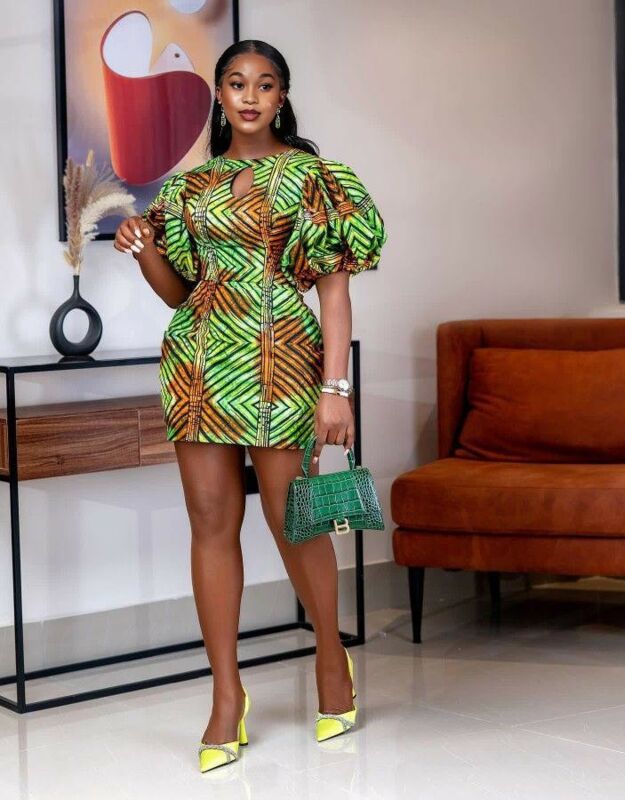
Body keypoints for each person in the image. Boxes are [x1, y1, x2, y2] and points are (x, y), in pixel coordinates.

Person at [114, 38, 387, 772]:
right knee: (210, 523)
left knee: (293, 519)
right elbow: (178, 293)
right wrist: (143, 247)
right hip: (199, 362)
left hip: (284, 362)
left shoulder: (314, 178)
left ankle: (330, 655)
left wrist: (336, 389)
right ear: (220, 93)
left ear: (282, 96)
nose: (250, 96)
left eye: (265, 84)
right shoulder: (188, 188)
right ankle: (226, 696)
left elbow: (334, 293)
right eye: (237, 83)